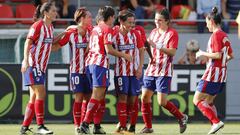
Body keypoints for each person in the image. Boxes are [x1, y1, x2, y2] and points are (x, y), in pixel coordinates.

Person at [79, 6, 132, 134]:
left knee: (100, 96)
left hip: (90, 64)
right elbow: (109, 50)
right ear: (110, 17)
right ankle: (85, 124)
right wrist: (125, 55)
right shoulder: (106, 29)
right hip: (99, 64)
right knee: (97, 95)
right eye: (113, 17)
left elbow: (88, 48)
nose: (114, 20)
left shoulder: (95, 28)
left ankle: (96, 126)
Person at [140, 8, 188, 134]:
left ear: (167, 21)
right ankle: (148, 127)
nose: (157, 23)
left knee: (162, 102)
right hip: (151, 69)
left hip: (164, 71)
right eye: (155, 20)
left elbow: (172, 52)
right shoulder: (154, 32)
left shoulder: (172, 34)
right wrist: (147, 51)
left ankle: (181, 117)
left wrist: (157, 46)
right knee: (144, 98)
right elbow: (150, 47)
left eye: (160, 20)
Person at [51, 7, 92, 135]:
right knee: (79, 98)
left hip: (90, 71)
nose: (91, 19)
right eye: (89, 17)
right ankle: (77, 126)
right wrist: (64, 32)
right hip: (76, 70)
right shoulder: (71, 33)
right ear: (81, 18)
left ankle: (85, 125)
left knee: (88, 98)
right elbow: (56, 46)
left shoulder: (92, 31)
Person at [193, 7, 234, 134]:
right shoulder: (224, 35)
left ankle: (216, 122)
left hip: (212, 73)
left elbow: (217, 55)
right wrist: (221, 63)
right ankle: (216, 126)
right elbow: (230, 56)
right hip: (222, 74)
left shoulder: (216, 35)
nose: (206, 25)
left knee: (197, 100)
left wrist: (202, 53)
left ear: (211, 21)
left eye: (206, 22)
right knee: (209, 101)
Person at [20, 2, 57, 135]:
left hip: (41, 67)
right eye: (53, 11)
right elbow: (27, 42)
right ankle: (40, 126)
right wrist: (25, 60)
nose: (55, 12)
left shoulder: (51, 27)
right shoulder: (38, 25)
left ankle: (24, 128)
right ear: (45, 13)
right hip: (33, 64)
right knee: (41, 93)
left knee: (34, 97)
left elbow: (50, 45)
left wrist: (65, 34)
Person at [112, 10, 144, 133]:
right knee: (122, 98)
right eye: (129, 22)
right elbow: (108, 48)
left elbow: (141, 50)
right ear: (121, 21)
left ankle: (132, 126)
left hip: (134, 72)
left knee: (133, 99)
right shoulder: (114, 33)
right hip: (121, 72)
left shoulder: (136, 34)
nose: (132, 25)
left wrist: (140, 67)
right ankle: (124, 126)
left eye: (133, 22)